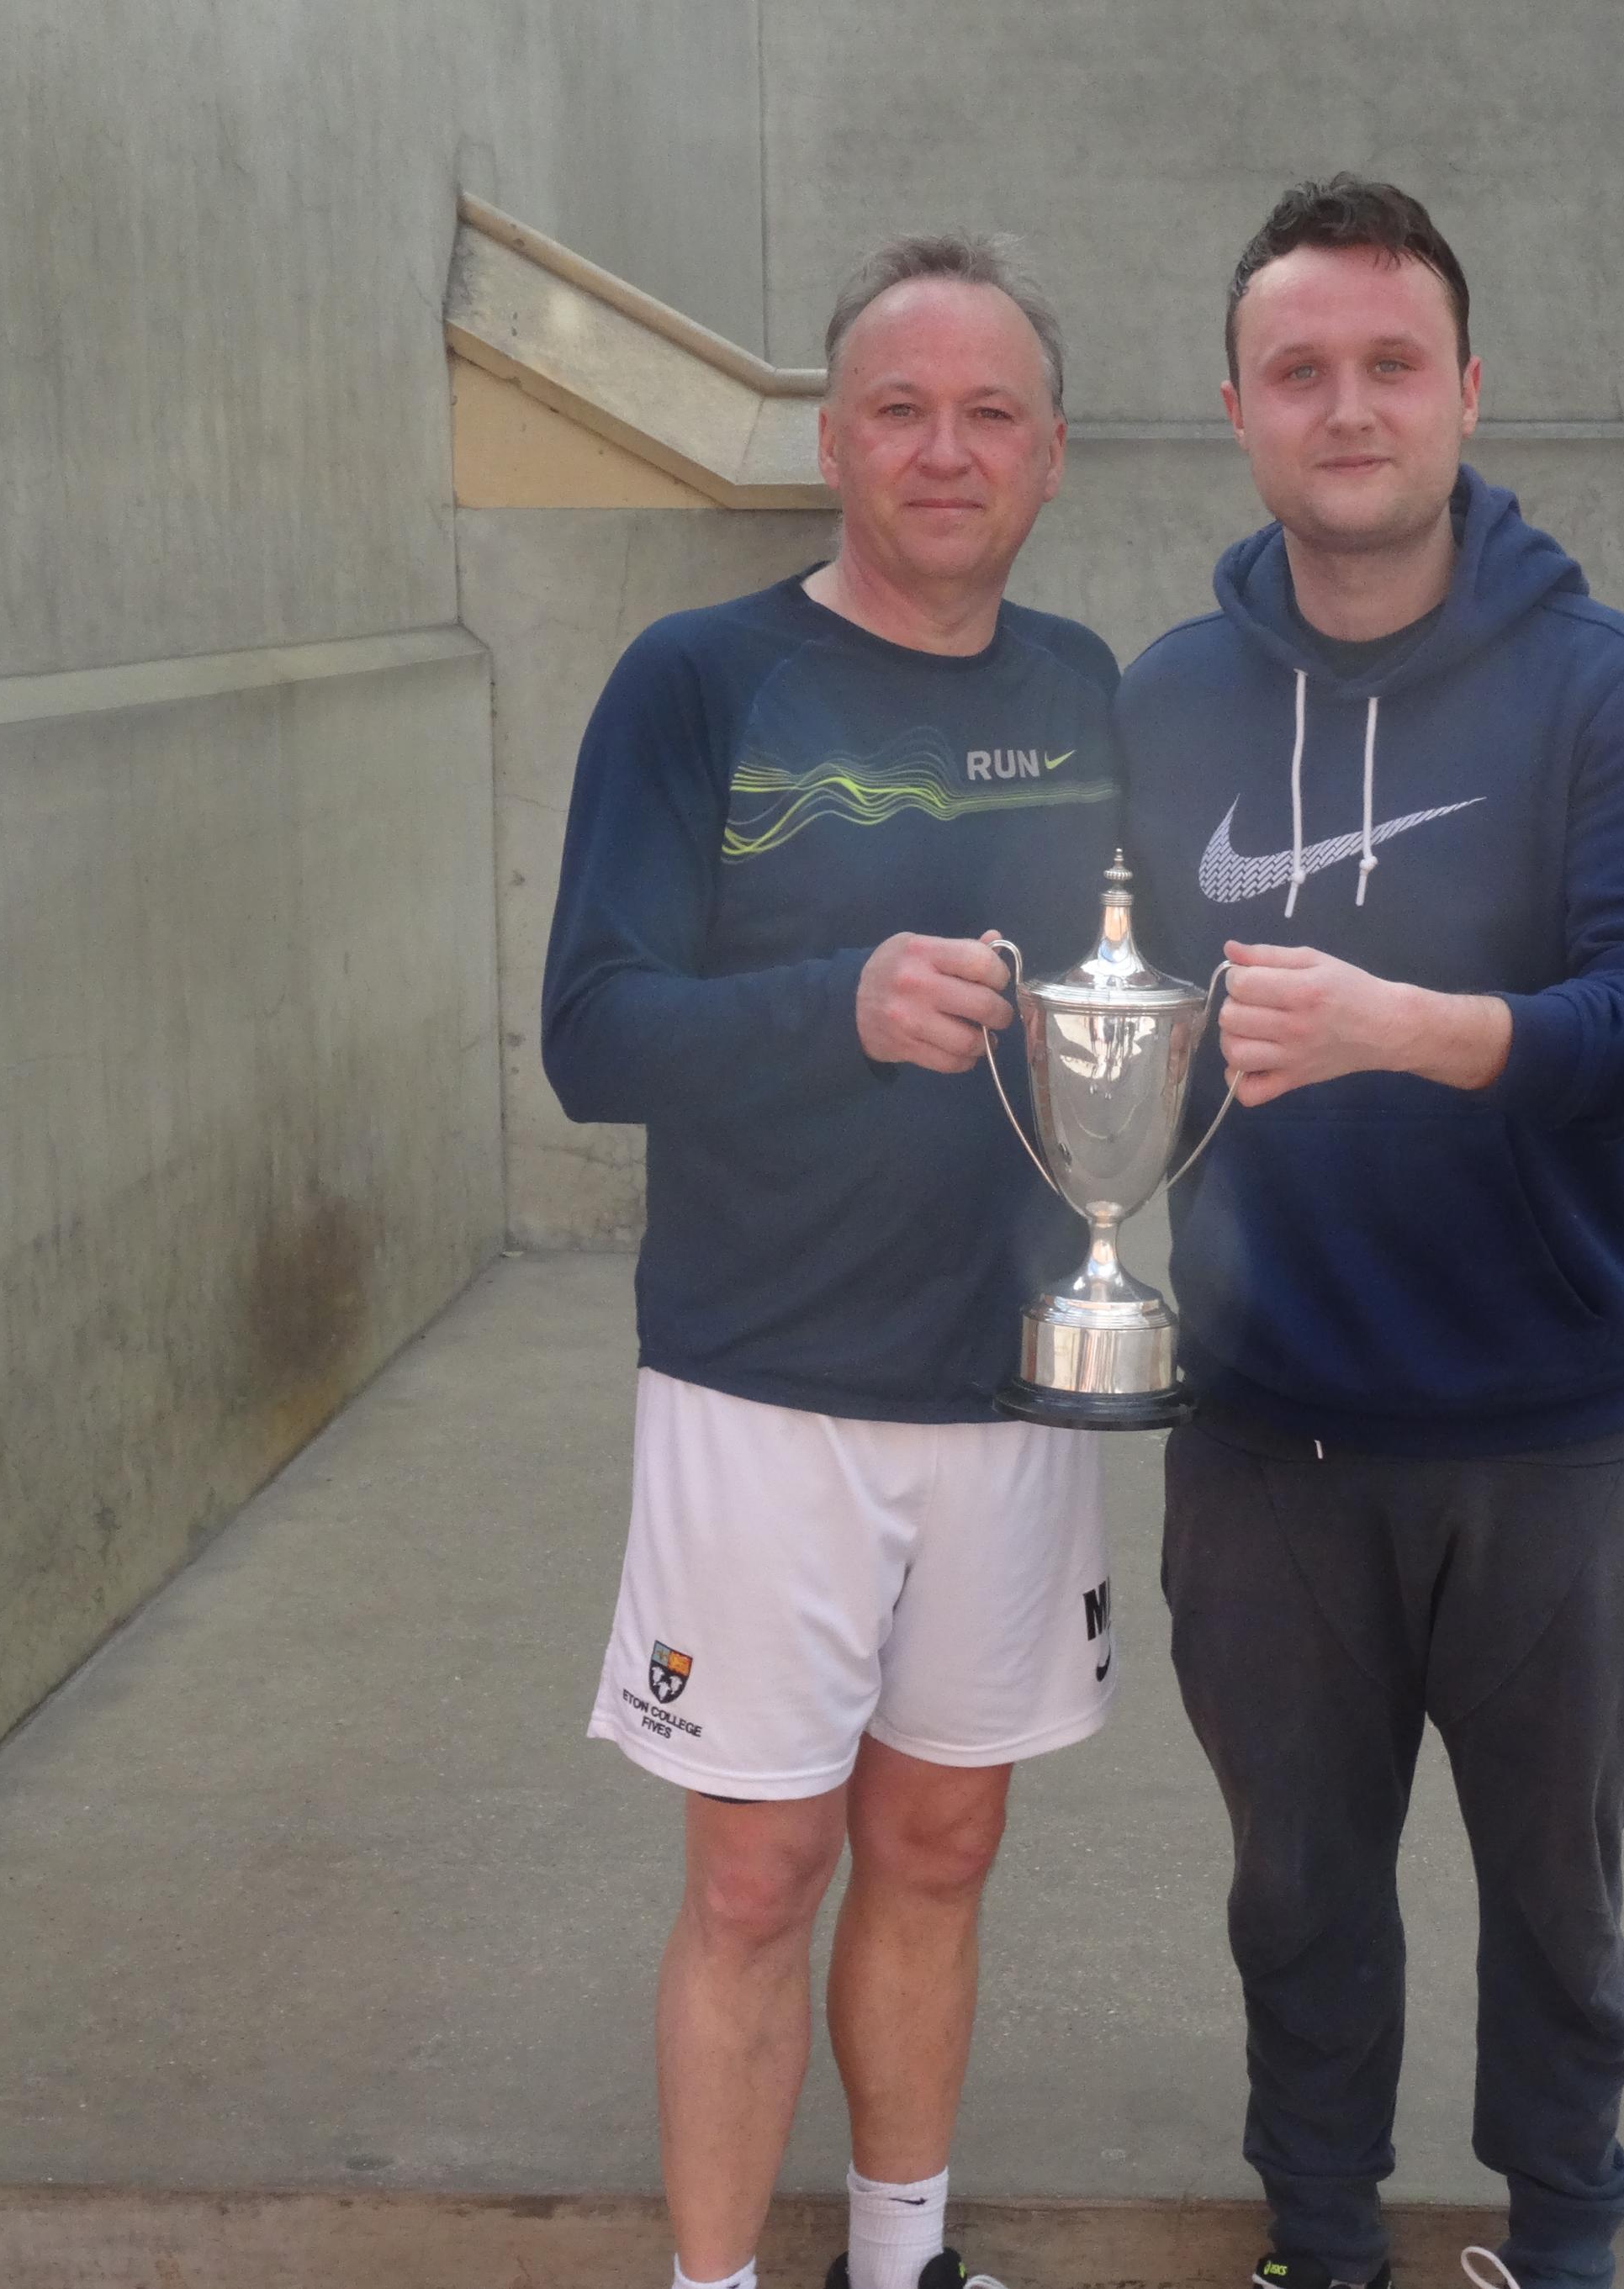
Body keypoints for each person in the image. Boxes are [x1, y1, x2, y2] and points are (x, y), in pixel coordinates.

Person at [1116, 177, 1624, 2289]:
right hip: (1268, 1435)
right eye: (1303, 369)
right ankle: (1324, 2237)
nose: (1351, 405)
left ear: (1468, 391)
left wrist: (1422, 1030)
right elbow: (1102, 1022)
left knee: (1559, 1897)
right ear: (1238, 408)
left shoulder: (1609, 694)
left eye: (1394, 364)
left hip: (1552, 1425)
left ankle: (1563, 2240)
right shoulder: (1169, 702)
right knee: (1295, 1890)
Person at [543, 233, 1123, 2289]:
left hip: (1015, 1380)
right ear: (830, 438)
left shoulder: (1090, 694)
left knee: (946, 1842)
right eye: (899, 408)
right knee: (760, 1867)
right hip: (761, 1382)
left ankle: (901, 2256)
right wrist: (834, 1001)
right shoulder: (699, 682)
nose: (943, 450)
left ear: (1052, 454)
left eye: (987, 415)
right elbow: (591, 1033)